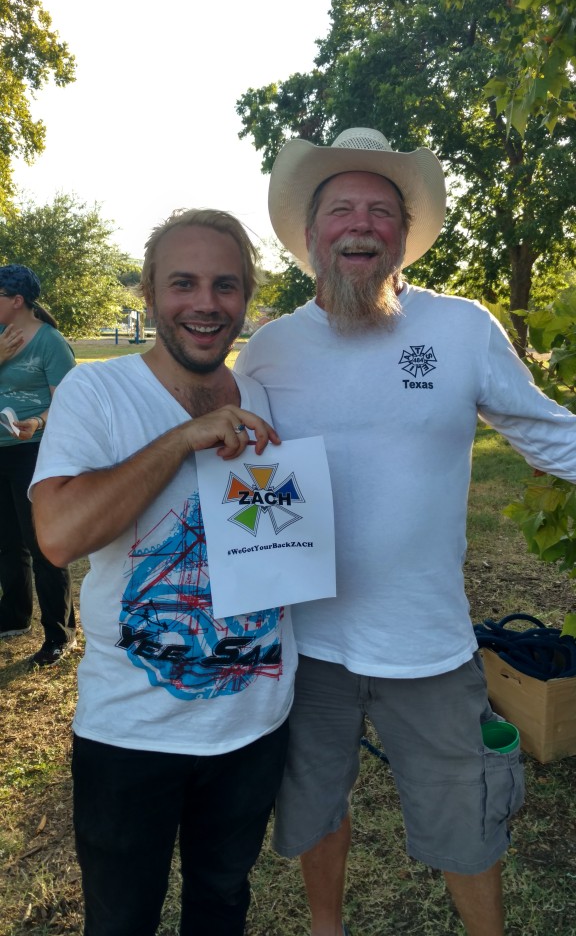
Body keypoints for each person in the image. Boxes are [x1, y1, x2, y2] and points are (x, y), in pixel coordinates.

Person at [235, 127, 576, 936]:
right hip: (306, 638)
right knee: (314, 806)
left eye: (382, 210)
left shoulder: (460, 328)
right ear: (311, 235)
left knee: (466, 816)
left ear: (402, 237)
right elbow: (242, 486)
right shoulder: (271, 350)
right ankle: (328, 930)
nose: (362, 224)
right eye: (342, 208)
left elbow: (546, 430)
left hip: (428, 639)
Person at [30, 208, 297, 936]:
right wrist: (182, 439)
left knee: (222, 902)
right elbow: (57, 536)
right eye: (183, 283)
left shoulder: (267, 398)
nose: (205, 304)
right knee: (121, 920)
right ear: (149, 292)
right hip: (132, 731)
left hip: (253, 723)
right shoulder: (98, 393)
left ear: (247, 296)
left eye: (226, 285)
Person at [0, 264, 76, 666]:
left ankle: (59, 632)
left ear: (16, 301)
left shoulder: (50, 342)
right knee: (7, 542)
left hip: (34, 452)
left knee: (42, 542)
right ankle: (13, 615)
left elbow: (67, 402)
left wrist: (38, 421)